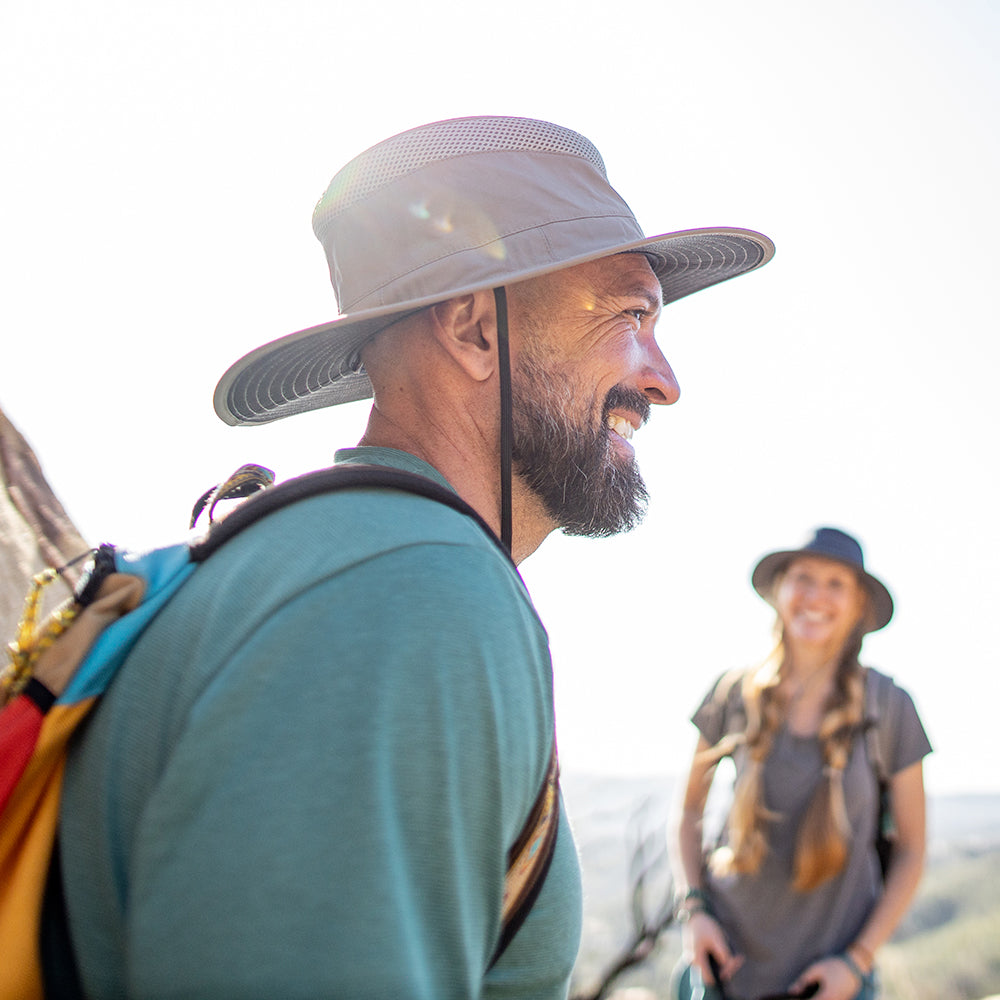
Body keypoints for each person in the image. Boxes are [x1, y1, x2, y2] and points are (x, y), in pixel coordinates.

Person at [53, 115, 774, 999]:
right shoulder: (408, 596)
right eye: (630, 314)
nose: (664, 378)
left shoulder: (330, 556)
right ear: (473, 329)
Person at [669, 527, 931, 1000]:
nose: (816, 595)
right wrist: (695, 912)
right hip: (719, 974)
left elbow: (912, 849)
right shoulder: (730, 693)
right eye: (803, 578)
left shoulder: (890, 707)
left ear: (857, 607)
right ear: (780, 591)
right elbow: (687, 813)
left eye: (836, 584)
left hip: (827, 983)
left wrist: (856, 961)